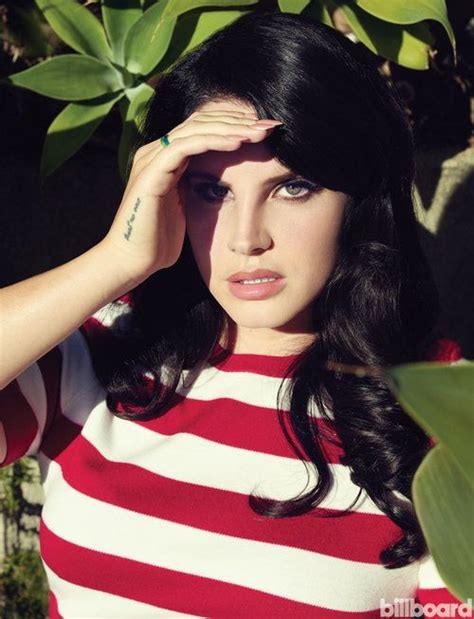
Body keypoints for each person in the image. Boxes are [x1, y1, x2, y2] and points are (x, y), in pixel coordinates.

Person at [0, 11, 468, 619]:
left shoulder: (442, 413)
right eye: (210, 190)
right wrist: (115, 260)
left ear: (358, 195)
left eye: (293, 187)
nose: (246, 239)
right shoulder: (101, 351)